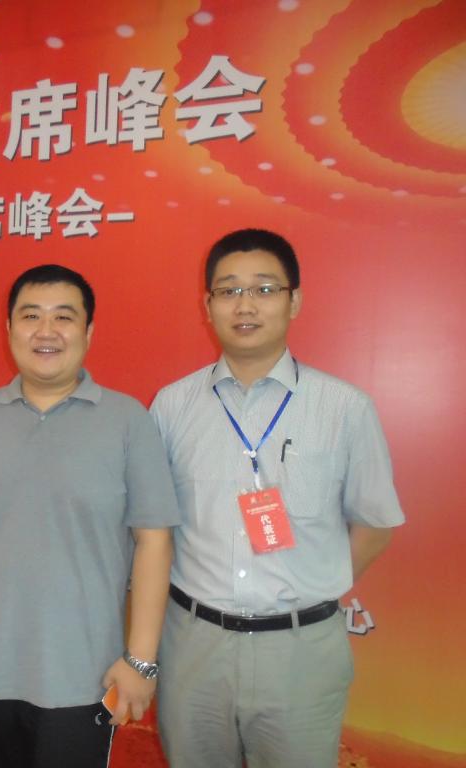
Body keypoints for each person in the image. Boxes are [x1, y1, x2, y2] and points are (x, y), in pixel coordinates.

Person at [151, 229, 404, 768]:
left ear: (295, 301)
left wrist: (311, 585)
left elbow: (376, 524)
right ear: (208, 306)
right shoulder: (171, 407)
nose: (245, 305)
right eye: (229, 291)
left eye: (265, 289)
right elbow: (156, 530)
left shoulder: (345, 408)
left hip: (301, 652)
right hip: (193, 647)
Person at [0, 265, 179, 768]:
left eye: (64, 317)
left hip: (82, 678)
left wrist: (141, 659)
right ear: (9, 328)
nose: (46, 331)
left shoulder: (128, 421)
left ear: (88, 331)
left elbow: (154, 541)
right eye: (31, 316)